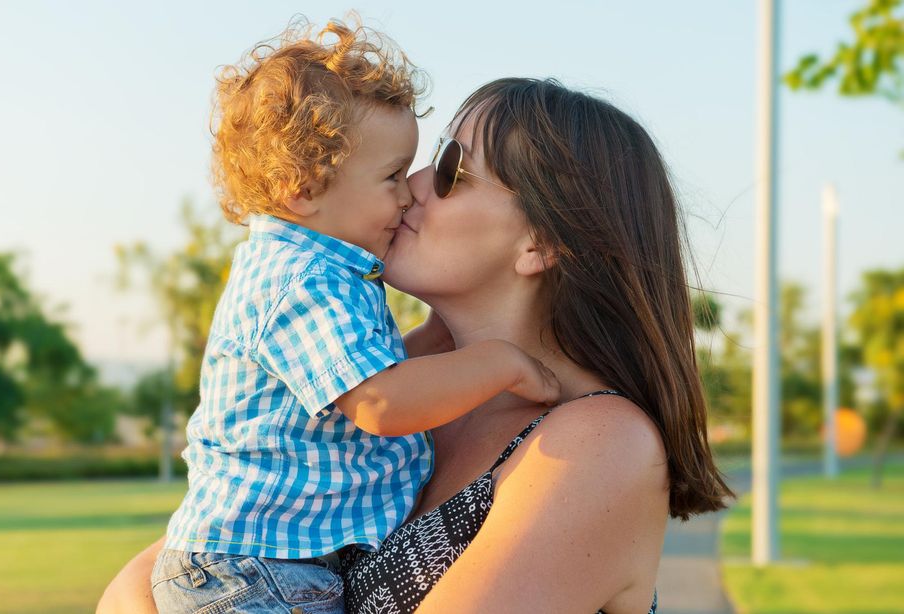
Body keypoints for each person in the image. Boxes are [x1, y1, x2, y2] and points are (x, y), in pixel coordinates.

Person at [99, 76, 733, 614]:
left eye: (454, 169)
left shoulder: (599, 444)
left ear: (540, 244)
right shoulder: (402, 388)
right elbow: (171, 569)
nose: (413, 185)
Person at [149, 18, 563, 614]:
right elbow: (380, 403)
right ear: (302, 189)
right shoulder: (303, 280)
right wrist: (497, 363)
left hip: (266, 564)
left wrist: (443, 339)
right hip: (256, 571)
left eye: (444, 171)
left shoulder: (320, 272)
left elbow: (379, 377)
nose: (410, 191)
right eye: (393, 175)